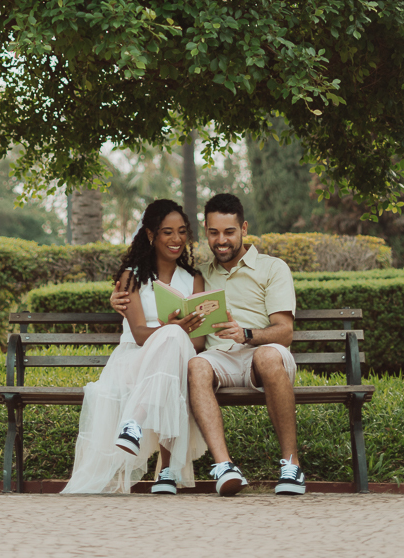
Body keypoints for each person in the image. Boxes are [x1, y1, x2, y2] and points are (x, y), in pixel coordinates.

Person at [111, 191, 304, 497]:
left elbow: (285, 332)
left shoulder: (272, 268)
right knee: (196, 366)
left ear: (244, 229)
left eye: (229, 232)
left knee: (267, 356)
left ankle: (291, 465)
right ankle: (225, 466)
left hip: (263, 353)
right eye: (213, 233)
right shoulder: (202, 273)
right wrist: (116, 300)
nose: (221, 240)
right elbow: (145, 291)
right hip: (219, 358)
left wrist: (246, 334)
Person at [62, 199, 208, 495]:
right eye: (167, 232)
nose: (177, 239)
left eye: (182, 231)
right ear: (151, 234)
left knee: (174, 348)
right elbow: (140, 334)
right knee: (171, 342)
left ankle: (133, 424)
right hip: (134, 360)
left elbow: (198, 341)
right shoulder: (132, 277)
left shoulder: (193, 279)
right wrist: (172, 330)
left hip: (177, 359)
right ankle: (167, 472)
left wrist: (174, 333)